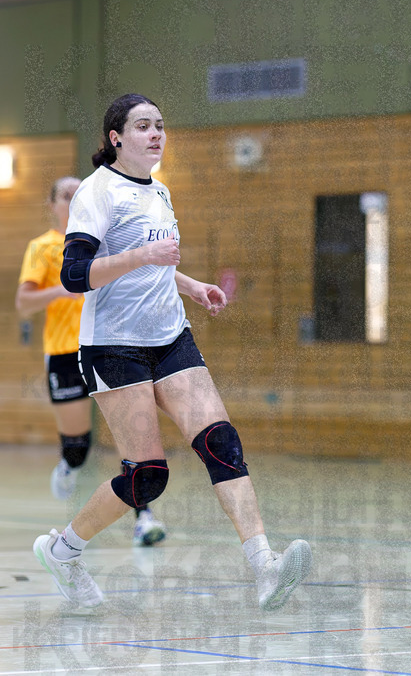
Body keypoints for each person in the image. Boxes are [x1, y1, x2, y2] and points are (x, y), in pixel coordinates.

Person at [31, 93, 312, 610]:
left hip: (170, 336)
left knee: (221, 442)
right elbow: (75, 276)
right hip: (114, 346)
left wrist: (189, 284)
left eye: (160, 124)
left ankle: (265, 567)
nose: (156, 133)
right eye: (143, 126)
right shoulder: (96, 193)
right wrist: (144, 254)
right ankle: (64, 550)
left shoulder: (160, 191)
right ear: (116, 138)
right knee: (147, 477)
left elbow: (153, 265)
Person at [16, 177, 168, 547]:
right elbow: (24, 304)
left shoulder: (104, 243)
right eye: (65, 195)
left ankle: (143, 518)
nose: (72, 200)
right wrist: (69, 285)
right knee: (78, 445)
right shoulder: (42, 248)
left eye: (77, 193)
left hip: (111, 346)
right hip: (65, 352)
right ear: (51, 204)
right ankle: (69, 462)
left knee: (131, 440)